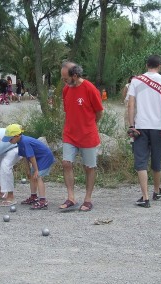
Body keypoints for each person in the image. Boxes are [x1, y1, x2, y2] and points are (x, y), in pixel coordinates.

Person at [127, 54, 161, 208]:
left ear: (146, 65)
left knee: (141, 161)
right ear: (160, 65)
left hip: (140, 126)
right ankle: (156, 191)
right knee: (157, 160)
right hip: (158, 126)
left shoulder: (136, 80)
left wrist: (131, 125)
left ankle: (145, 197)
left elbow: (131, 105)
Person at [59, 61, 104, 212]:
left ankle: (88, 199)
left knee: (89, 167)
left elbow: (99, 112)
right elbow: (68, 110)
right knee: (66, 163)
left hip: (88, 135)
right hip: (70, 134)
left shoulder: (90, 89)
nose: (64, 82)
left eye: (66, 79)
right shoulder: (66, 90)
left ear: (75, 76)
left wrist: (89, 125)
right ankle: (71, 197)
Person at [2, 124, 55, 210]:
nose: (9, 141)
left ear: (17, 136)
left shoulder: (25, 141)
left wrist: (36, 170)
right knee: (32, 176)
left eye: (10, 139)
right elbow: (25, 156)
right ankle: (33, 197)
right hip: (37, 158)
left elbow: (31, 156)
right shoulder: (19, 142)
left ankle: (43, 201)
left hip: (45, 157)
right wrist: (28, 170)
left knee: (38, 177)